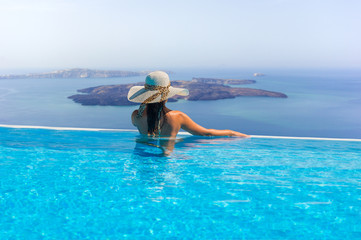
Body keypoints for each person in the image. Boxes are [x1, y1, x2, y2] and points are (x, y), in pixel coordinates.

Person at [127, 71, 250, 138]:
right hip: (164, 163)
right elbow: (206, 133)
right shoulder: (177, 117)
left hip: (141, 160)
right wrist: (231, 132)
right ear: (166, 96)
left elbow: (151, 130)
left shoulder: (136, 115)